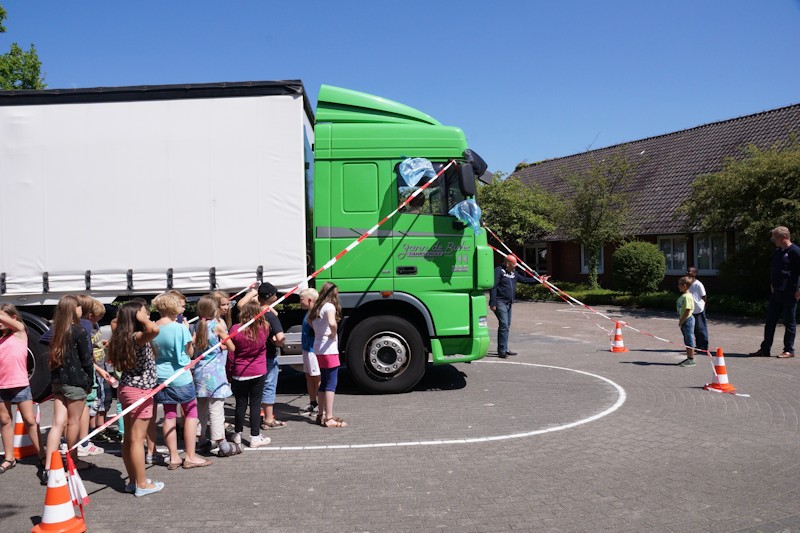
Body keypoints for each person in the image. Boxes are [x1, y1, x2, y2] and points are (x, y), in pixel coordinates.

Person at [107, 300, 164, 496]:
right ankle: (141, 484)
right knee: (138, 440)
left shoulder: (121, 336)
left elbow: (117, 322)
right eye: (144, 312)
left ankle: (133, 481)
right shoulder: (137, 337)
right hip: (140, 391)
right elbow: (155, 330)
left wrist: (131, 315)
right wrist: (140, 317)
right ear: (136, 317)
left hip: (127, 389)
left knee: (130, 439)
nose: (148, 314)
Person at [152, 292, 211, 470]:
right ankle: (191, 456)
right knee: (191, 414)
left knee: (169, 415)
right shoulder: (179, 328)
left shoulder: (153, 327)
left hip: (161, 376)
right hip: (180, 376)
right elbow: (189, 353)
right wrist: (190, 337)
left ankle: (174, 457)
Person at [44, 295, 94, 474]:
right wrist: (90, 380)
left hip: (58, 381)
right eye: (79, 306)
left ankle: (49, 465)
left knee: (58, 423)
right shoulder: (78, 330)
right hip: (75, 382)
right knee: (74, 422)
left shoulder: (56, 329)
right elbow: (86, 359)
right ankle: (72, 461)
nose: (81, 309)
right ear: (74, 309)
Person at [0, 304, 45, 481]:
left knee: (29, 421)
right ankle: (9, 458)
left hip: (19, 384)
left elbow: (16, 325)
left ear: (14, 318)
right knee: (4, 420)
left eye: (4, 318)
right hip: (1, 385)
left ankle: (41, 455)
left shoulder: (20, 333)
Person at [192, 295, 240, 457]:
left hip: (200, 372)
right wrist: (222, 345)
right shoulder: (217, 326)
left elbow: (194, 348)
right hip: (215, 374)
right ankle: (222, 443)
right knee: (217, 409)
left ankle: (201, 438)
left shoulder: (198, 325)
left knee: (202, 408)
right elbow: (231, 347)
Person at [237, 282, 286, 430]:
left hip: (255, 355)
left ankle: (257, 416)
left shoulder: (254, 312)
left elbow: (240, 304)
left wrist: (252, 293)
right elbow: (280, 337)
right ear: (271, 297)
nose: (277, 296)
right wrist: (279, 343)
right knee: (269, 386)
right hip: (269, 355)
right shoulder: (270, 316)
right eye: (275, 294)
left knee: (256, 389)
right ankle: (269, 418)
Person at [750, 226, 800, 358]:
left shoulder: (795, 251)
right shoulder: (777, 252)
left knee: (789, 322)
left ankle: (789, 350)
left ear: (783, 237)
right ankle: (765, 349)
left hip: (790, 292)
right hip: (776, 292)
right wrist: (772, 285)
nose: (773, 240)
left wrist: (799, 289)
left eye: (775, 238)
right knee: (770, 321)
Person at [226, 300, 271, 448]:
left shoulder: (235, 329)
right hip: (258, 371)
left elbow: (231, 354)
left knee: (240, 403)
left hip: (240, 372)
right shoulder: (264, 327)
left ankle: (237, 434)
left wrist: (229, 372)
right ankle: (255, 436)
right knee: (256, 404)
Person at [488, 255, 548, 358]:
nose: (515, 266)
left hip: (509, 303)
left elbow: (524, 280)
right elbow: (493, 286)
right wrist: (492, 303)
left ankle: (505, 348)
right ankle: (502, 350)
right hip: (500, 302)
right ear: (507, 264)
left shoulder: (513, 273)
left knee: (507, 326)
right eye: (514, 264)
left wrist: (539, 280)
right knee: (504, 325)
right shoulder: (498, 271)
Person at [310, 282, 347, 427]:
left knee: (323, 382)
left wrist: (319, 331)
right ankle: (329, 417)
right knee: (331, 383)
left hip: (318, 347)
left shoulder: (317, 307)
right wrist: (333, 332)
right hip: (329, 349)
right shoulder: (329, 306)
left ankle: (321, 414)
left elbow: (309, 320)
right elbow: (332, 322)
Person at [298, 288, 320, 415]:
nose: (300, 302)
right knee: (308, 376)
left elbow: (319, 330)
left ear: (310, 300)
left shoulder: (316, 313)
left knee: (316, 377)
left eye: (302, 299)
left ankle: (320, 404)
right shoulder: (308, 313)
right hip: (306, 348)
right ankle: (313, 402)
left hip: (313, 349)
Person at [686, 267, 709, 354]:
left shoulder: (698, 284)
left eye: (689, 271)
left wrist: (703, 306)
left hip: (699, 309)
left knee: (701, 328)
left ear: (694, 273)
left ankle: (704, 347)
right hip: (691, 309)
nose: (687, 272)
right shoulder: (687, 284)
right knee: (694, 329)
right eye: (687, 271)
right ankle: (698, 346)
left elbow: (704, 296)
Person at [676, 276, 696, 367]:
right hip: (684, 319)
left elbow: (688, 309)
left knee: (689, 339)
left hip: (687, 319)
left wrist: (682, 320)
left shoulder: (687, 296)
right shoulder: (684, 296)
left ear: (684, 285)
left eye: (679, 284)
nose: (678, 286)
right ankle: (688, 358)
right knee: (686, 339)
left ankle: (691, 359)